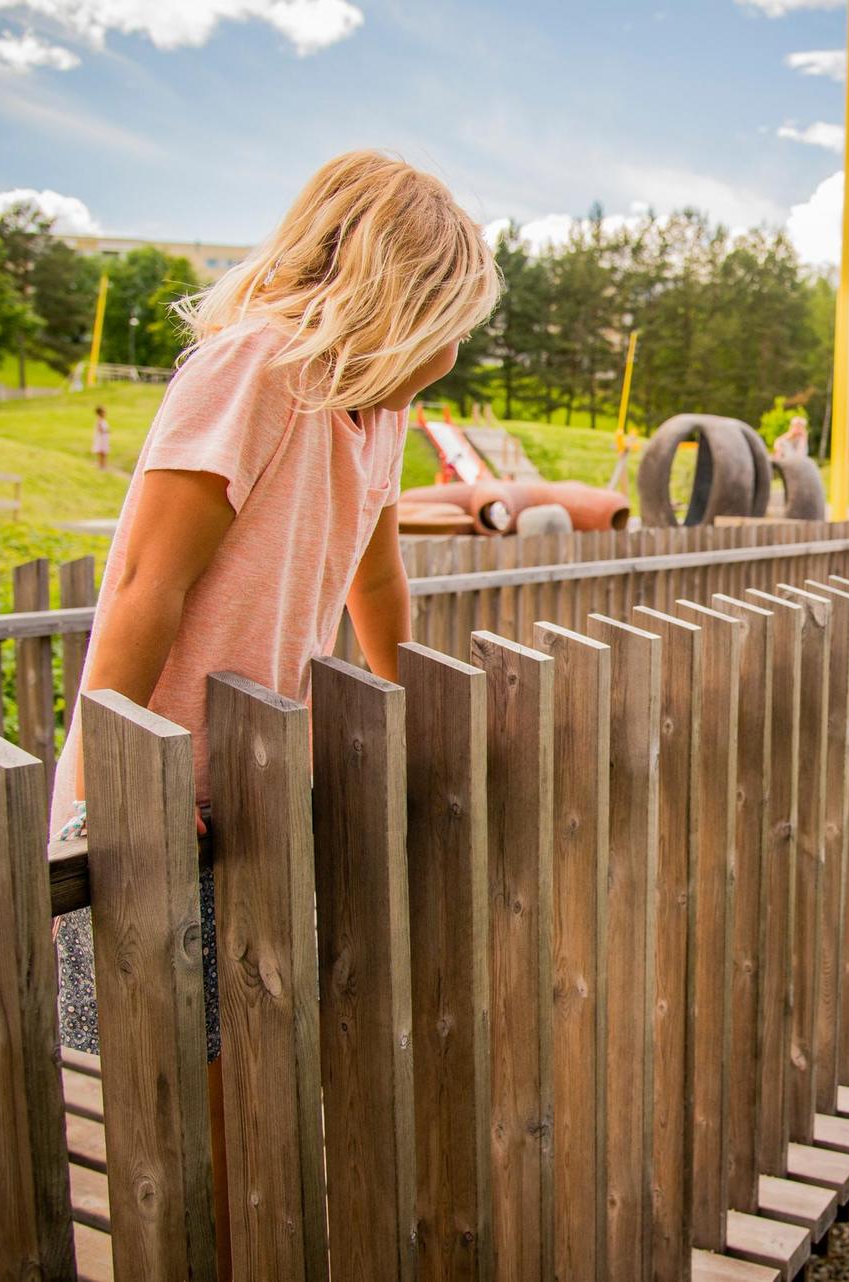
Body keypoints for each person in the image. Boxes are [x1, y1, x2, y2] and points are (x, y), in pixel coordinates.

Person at [47, 149, 501, 1272]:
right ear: (393, 300)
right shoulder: (255, 369)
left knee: (244, 1070)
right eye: (445, 325)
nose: (451, 358)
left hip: (241, 786)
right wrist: (116, 786)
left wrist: (408, 708)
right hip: (150, 785)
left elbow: (377, 583)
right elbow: (146, 582)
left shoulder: (373, 416)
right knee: (173, 1101)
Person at [91, 405, 110, 470]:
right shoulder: (99, 421)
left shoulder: (102, 420)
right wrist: (106, 431)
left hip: (104, 438)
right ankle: (101, 465)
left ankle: (103, 465)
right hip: (101, 439)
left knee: (104, 452)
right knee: (101, 452)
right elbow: (100, 429)